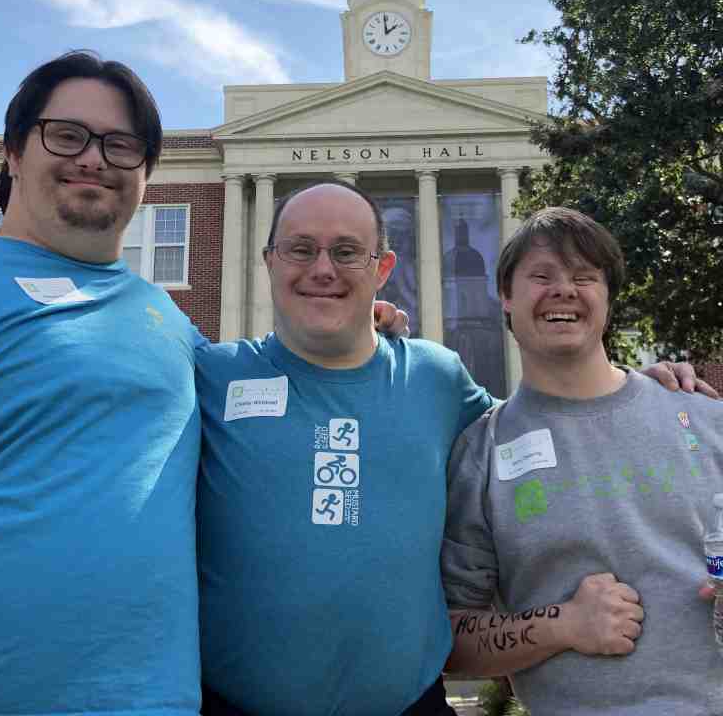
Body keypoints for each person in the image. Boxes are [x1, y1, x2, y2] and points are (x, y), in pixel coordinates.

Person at [193, 185, 707, 716]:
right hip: (233, 703)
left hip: (411, 705)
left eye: (347, 252)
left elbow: (544, 422)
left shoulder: (436, 378)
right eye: (301, 249)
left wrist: (633, 390)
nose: (323, 268)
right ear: (269, 260)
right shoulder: (211, 376)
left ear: (383, 267)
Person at [0, 51, 205, 714]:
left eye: (120, 144)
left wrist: (363, 325)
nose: (94, 159)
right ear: (14, 153)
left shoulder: (170, 321)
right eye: (68, 135)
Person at [441, 207, 723, 715]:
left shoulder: (703, 417)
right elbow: (450, 640)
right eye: (541, 276)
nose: (563, 291)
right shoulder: (480, 454)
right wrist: (562, 624)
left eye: (583, 277)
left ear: (608, 299)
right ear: (506, 297)